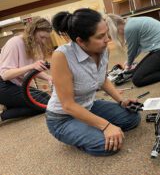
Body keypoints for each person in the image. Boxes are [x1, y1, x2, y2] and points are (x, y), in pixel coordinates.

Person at [46, 8, 141, 156]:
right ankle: (80, 132)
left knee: (132, 118)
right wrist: (106, 126)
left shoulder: (103, 50)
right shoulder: (61, 56)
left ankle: (87, 125)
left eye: (107, 32)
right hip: (62, 118)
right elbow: (68, 105)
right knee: (107, 146)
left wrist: (122, 101)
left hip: (88, 106)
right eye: (100, 36)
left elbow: (102, 79)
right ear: (80, 41)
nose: (108, 39)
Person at [0, 18, 52, 121]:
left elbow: (31, 69)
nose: (43, 41)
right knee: (45, 105)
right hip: (3, 84)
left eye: (46, 38)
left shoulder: (31, 45)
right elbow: (5, 75)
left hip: (16, 84)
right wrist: (32, 66)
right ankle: (3, 116)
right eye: (41, 37)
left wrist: (49, 78)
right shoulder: (14, 43)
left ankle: (11, 105)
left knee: (48, 99)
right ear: (32, 31)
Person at [105, 14, 160, 87]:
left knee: (137, 79)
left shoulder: (129, 28)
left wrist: (128, 65)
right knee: (135, 73)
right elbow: (138, 47)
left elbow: (132, 50)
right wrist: (128, 62)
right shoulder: (130, 22)